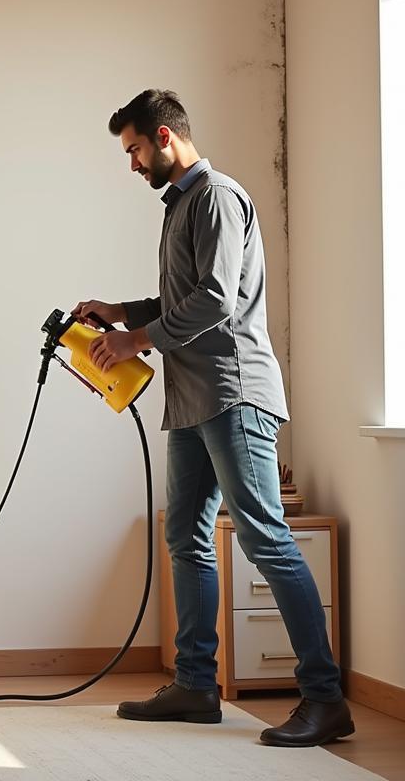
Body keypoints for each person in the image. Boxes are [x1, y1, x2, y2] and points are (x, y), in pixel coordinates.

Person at [71, 88, 354, 747]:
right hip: (194, 399)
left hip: (234, 394)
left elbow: (215, 301)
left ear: (165, 137)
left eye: (135, 148)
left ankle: (325, 697)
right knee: (187, 540)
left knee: (264, 538)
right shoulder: (181, 208)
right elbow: (180, 296)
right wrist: (120, 312)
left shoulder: (218, 198)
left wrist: (134, 342)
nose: (133, 164)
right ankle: (197, 687)